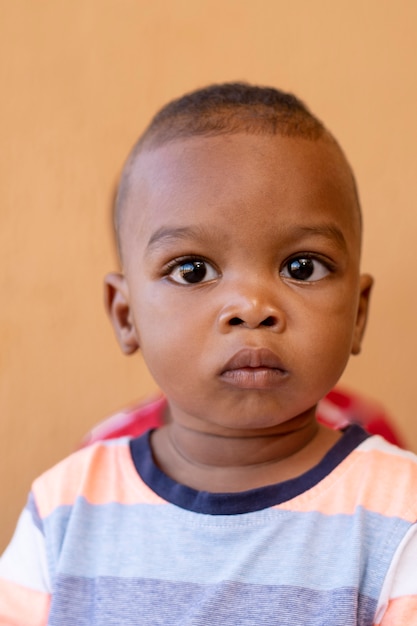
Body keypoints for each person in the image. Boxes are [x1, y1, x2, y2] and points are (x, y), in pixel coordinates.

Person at [1, 82, 416, 626]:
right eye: (192, 270)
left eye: (302, 267)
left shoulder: (398, 514)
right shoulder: (65, 509)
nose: (251, 307)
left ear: (357, 313)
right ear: (126, 316)